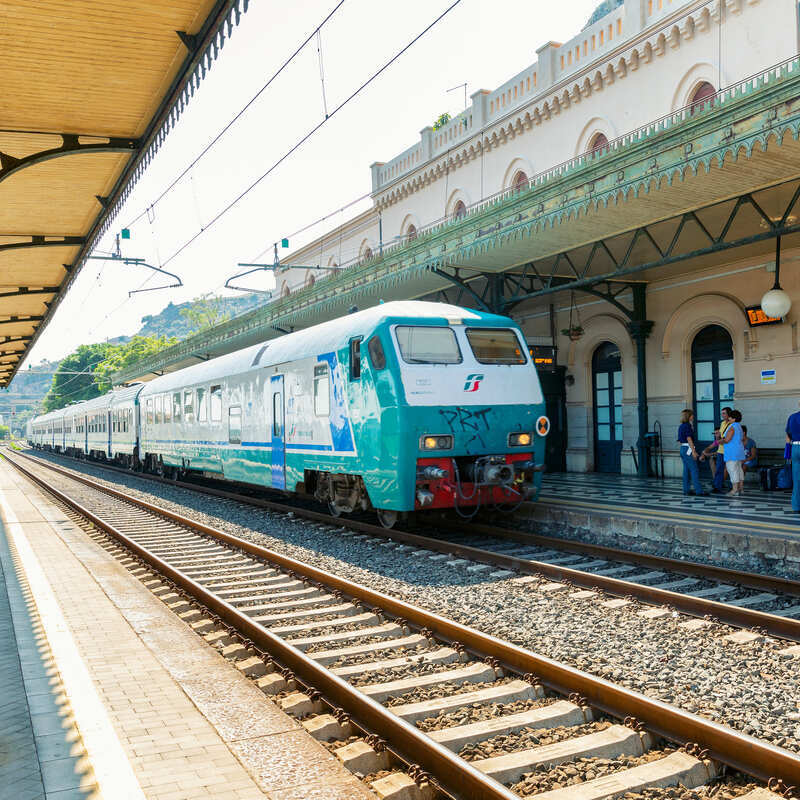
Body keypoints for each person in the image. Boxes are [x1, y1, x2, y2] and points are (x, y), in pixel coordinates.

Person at [678, 409, 707, 496]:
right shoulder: (687, 426)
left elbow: (680, 440)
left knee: (686, 470)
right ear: (689, 416)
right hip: (688, 449)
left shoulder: (681, 426)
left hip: (683, 448)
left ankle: (686, 490)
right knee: (694, 470)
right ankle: (699, 491)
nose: (693, 416)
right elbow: (689, 438)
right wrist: (693, 451)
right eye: (692, 415)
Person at [721, 409, 745, 496]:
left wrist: (719, 441)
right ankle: (741, 488)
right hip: (739, 451)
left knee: (732, 470)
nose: (729, 418)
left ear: (734, 418)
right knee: (739, 469)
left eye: (730, 416)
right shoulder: (739, 426)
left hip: (732, 452)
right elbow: (742, 438)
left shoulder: (732, 427)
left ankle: (734, 490)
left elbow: (727, 439)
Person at [712, 407, 733, 493]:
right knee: (719, 470)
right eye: (722, 413)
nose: (722, 415)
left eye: (724, 413)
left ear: (729, 414)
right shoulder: (722, 423)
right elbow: (721, 436)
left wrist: (720, 439)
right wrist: (718, 436)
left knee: (731, 469)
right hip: (721, 450)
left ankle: (733, 487)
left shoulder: (732, 424)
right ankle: (717, 487)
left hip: (729, 450)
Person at [786, 400, 800, 512]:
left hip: (795, 447)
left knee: (796, 478)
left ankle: (796, 505)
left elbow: (788, 435)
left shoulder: (792, 417)